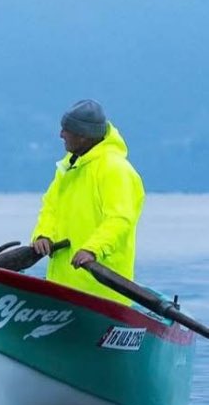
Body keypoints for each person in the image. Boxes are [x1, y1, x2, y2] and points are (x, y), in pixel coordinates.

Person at [31, 99, 145, 303]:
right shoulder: (69, 167)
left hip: (103, 294)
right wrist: (43, 234)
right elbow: (51, 207)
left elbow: (119, 220)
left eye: (66, 130)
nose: (60, 135)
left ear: (83, 136)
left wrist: (92, 249)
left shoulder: (116, 170)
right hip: (62, 287)